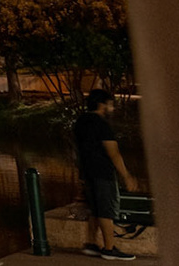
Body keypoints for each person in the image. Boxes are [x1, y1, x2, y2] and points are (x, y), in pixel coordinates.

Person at [74, 88, 139, 259]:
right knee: (106, 211)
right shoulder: (101, 125)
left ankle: (91, 244)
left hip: (87, 173)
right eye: (110, 105)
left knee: (95, 210)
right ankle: (109, 249)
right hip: (103, 173)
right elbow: (113, 153)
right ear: (102, 104)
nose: (112, 108)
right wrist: (127, 176)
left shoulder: (81, 122)